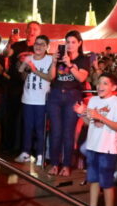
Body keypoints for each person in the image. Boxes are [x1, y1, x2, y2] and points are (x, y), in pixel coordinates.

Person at [73, 73, 117, 206]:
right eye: (99, 82)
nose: (100, 86)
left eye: (105, 83)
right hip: (93, 146)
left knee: (107, 182)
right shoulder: (94, 100)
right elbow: (91, 123)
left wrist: (100, 117)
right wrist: (82, 113)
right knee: (93, 180)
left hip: (107, 148)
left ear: (114, 87)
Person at [47, 30, 91, 177]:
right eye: (68, 42)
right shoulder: (59, 57)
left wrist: (70, 64)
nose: (70, 45)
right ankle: (54, 163)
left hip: (72, 97)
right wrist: (54, 62)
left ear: (79, 43)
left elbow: (81, 78)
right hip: (56, 96)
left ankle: (66, 165)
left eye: (73, 42)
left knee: (68, 133)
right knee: (56, 132)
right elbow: (51, 77)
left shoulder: (84, 59)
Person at [15, 35, 54, 165]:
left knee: (40, 128)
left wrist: (34, 69)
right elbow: (22, 75)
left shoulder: (50, 59)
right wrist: (24, 66)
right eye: (37, 43)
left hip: (42, 100)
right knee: (27, 127)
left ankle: (40, 155)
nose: (39, 46)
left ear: (47, 47)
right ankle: (25, 152)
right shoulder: (28, 58)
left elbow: (50, 78)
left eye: (42, 44)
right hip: (27, 98)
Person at [5, 21, 41, 154]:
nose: (32, 31)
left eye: (35, 29)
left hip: (31, 87)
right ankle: (10, 146)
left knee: (28, 118)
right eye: (30, 29)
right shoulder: (17, 45)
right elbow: (6, 54)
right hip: (15, 85)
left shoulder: (41, 47)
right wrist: (10, 43)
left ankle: (26, 147)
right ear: (25, 31)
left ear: (39, 32)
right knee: (13, 115)